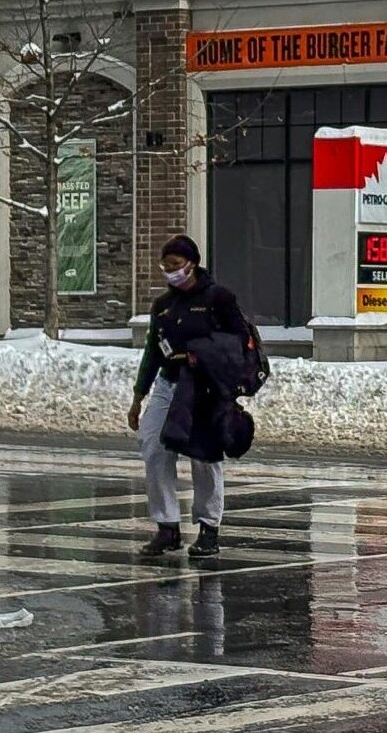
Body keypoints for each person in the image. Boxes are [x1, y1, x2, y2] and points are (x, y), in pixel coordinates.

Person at [128, 235, 251, 558]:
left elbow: (240, 338)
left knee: (204, 455)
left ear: (192, 264)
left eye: (176, 266)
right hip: (169, 383)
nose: (170, 272)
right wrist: (138, 396)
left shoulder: (218, 298)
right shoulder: (164, 306)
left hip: (204, 387)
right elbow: (153, 351)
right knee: (153, 447)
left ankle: (209, 528)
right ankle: (167, 526)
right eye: (165, 266)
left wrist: (205, 354)